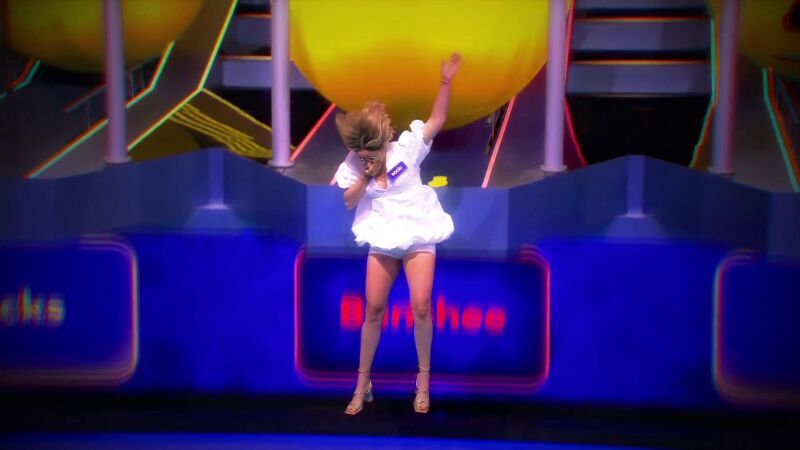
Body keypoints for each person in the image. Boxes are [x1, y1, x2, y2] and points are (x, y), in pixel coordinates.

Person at [334, 53, 462, 415]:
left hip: (418, 232)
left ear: (382, 141)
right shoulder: (354, 165)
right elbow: (348, 201)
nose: (366, 158)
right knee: (373, 309)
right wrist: (366, 175)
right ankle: (362, 384)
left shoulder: (405, 149)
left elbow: (437, 121)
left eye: (370, 154)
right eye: (361, 154)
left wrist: (446, 81)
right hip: (383, 236)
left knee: (421, 307)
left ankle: (423, 381)